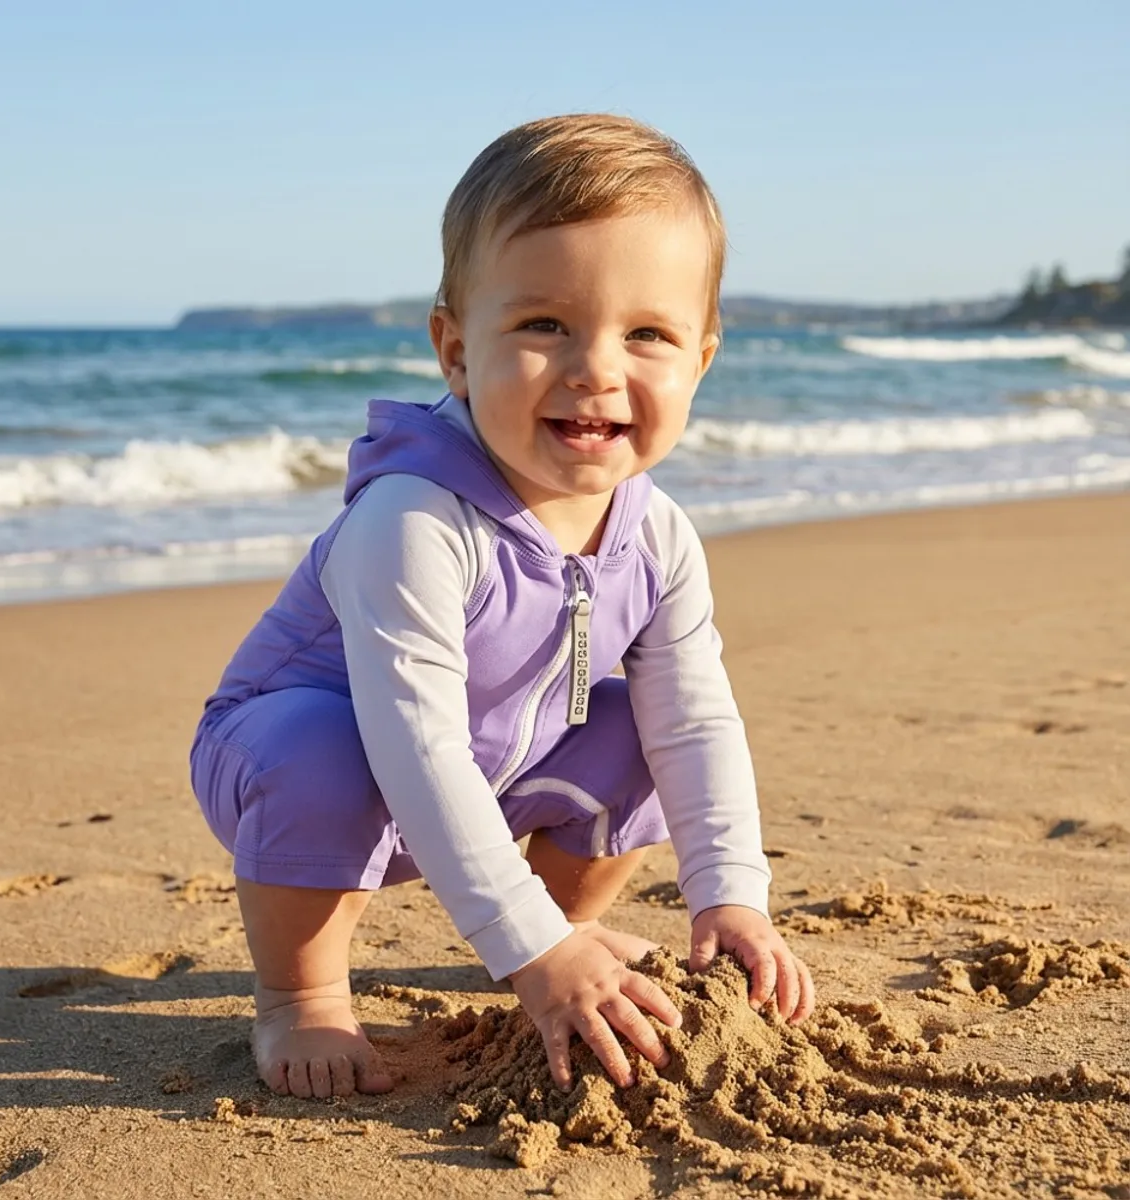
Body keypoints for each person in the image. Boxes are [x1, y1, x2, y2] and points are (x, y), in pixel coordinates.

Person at [190, 112, 815, 1102]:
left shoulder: (657, 536)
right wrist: (524, 950)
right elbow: (416, 748)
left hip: (496, 762)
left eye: (647, 334)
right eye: (543, 326)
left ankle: (564, 928)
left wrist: (732, 896)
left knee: (642, 729)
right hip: (305, 759)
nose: (596, 368)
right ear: (455, 348)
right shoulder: (414, 518)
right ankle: (301, 991)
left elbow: (695, 723)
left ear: (700, 360)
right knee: (318, 750)